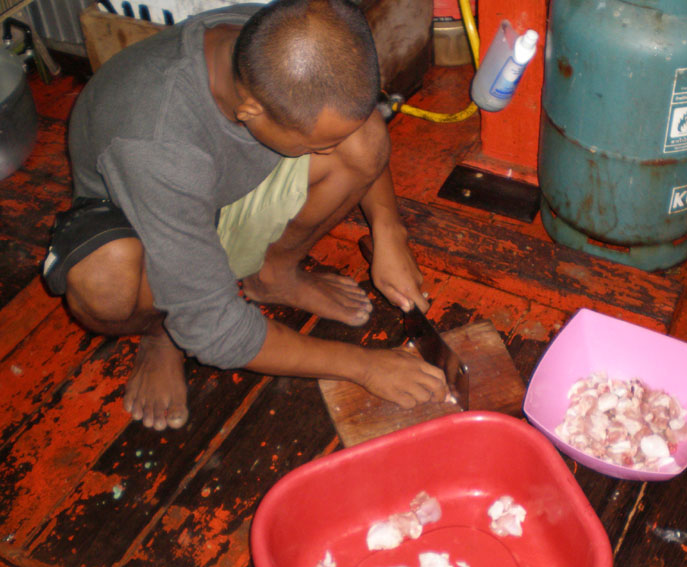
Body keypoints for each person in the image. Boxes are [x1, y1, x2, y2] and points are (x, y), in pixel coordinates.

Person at [42, 0, 449, 431]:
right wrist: (365, 366)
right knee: (105, 281)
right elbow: (217, 334)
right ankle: (161, 332)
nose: (330, 151)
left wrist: (389, 229)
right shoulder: (157, 146)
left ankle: (275, 274)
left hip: (219, 190)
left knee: (363, 139)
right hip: (150, 226)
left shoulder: (275, 40)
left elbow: (355, 121)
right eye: (318, 143)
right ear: (250, 111)